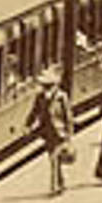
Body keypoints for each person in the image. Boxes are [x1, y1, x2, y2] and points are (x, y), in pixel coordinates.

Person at [25, 67, 73, 196]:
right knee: (53, 159)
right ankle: (61, 183)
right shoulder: (40, 97)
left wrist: (69, 137)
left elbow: (68, 117)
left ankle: (54, 187)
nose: (46, 88)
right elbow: (34, 112)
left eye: (48, 86)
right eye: (45, 86)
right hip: (47, 132)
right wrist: (28, 125)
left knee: (54, 159)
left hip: (59, 132)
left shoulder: (62, 97)